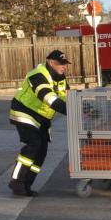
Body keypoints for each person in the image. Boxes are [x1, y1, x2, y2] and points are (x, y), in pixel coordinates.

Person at [7, 49, 70, 197]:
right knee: (33, 144)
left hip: (42, 117)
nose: (64, 66)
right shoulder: (38, 75)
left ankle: (26, 185)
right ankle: (16, 183)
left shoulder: (61, 77)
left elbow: (66, 96)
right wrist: (71, 110)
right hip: (25, 112)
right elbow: (48, 98)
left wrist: (85, 108)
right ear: (51, 62)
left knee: (41, 151)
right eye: (61, 64)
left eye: (65, 64)